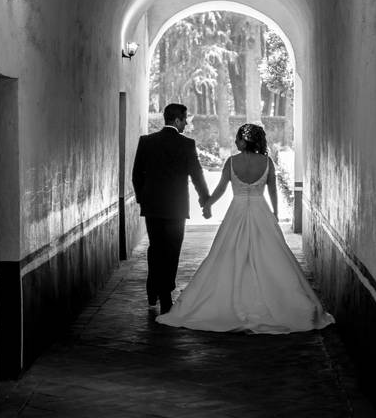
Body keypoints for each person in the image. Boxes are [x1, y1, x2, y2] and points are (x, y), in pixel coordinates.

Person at [156, 124, 335, 334]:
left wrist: (208, 204)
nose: (235, 142)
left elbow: (221, 189)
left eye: (237, 138)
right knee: (270, 255)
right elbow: (273, 191)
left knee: (227, 254)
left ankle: (227, 303)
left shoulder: (232, 162)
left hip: (237, 212)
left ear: (244, 140)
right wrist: (275, 214)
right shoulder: (267, 162)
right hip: (261, 211)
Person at [132, 103, 211, 313]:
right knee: (172, 250)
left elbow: (136, 174)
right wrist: (205, 201)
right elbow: (197, 176)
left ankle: (153, 289)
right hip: (176, 207)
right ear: (177, 120)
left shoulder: (146, 142)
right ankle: (166, 294)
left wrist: (143, 199)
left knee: (156, 248)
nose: (186, 123)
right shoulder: (187, 144)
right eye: (185, 119)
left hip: (153, 207)